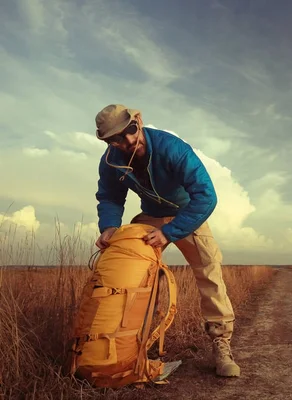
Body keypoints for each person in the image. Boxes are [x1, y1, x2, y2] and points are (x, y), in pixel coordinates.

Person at [93, 103, 240, 378]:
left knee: (209, 270)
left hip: (188, 215)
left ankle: (221, 344)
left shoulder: (173, 148)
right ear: (107, 141)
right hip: (150, 216)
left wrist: (169, 233)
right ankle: (127, 347)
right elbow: (111, 197)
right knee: (131, 274)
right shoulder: (111, 161)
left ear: (138, 121)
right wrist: (110, 227)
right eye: (116, 139)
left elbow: (206, 196)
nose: (127, 142)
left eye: (130, 131)